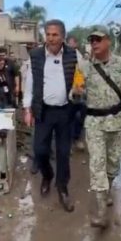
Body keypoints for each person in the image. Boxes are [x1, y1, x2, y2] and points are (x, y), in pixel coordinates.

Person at [74, 27, 121, 228]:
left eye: (98, 39)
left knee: (113, 165)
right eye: (92, 40)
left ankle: (107, 190)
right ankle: (102, 212)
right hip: (94, 123)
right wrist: (77, 92)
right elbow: (75, 94)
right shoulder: (83, 67)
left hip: (118, 121)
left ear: (108, 41)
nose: (94, 43)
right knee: (97, 165)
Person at [23, 19, 78, 212]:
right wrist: (27, 109)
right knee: (40, 150)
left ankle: (62, 187)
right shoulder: (36, 56)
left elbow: (80, 79)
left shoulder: (73, 55)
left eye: (55, 35)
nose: (51, 38)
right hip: (44, 111)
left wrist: (79, 91)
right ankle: (47, 175)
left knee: (63, 152)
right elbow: (29, 84)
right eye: (48, 34)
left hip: (65, 112)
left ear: (63, 36)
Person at [67, 37, 87, 150]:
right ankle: (69, 141)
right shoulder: (63, 56)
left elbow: (81, 73)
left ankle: (77, 138)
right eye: (69, 43)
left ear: (76, 44)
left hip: (79, 92)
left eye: (72, 43)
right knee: (69, 118)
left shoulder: (80, 58)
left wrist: (79, 87)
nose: (70, 45)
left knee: (80, 117)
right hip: (67, 92)